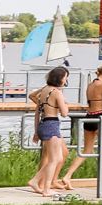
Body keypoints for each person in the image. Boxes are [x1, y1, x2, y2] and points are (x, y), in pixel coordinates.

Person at [61, 64, 102, 189]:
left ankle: (68, 175)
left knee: (86, 150)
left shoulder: (90, 85)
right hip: (100, 116)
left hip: (89, 116)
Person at [26, 65, 72, 196]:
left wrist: (36, 132)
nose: (65, 80)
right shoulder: (57, 93)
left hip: (43, 124)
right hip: (52, 125)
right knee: (54, 159)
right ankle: (46, 189)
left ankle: (35, 181)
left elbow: (37, 113)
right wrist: (66, 105)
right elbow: (64, 113)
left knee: (57, 158)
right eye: (65, 78)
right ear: (60, 79)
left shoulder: (44, 91)